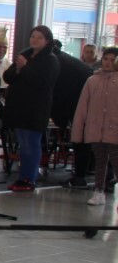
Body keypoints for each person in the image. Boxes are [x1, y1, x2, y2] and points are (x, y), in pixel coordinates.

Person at [3, 25, 60, 192]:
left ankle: (30, 178)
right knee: (23, 143)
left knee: (32, 143)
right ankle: (23, 177)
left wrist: (25, 68)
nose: (35, 40)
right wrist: (18, 69)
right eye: (33, 36)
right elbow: (8, 77)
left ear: (47, 41)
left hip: (36, 108)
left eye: (39, 37)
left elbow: (43, 83)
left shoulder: (50, 60)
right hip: (19, 106)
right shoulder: (25, 55)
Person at [71, 47, 118, 207]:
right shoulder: (92, 80)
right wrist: (78, 131)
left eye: (112, 60)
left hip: (115, 130)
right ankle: (98, 192)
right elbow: (82, 107)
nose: (108, 63)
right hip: (96, 129)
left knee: (116, 162)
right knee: (100, 161)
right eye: (106, 59)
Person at [51, 43, 95, 189]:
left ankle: (81, 177)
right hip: (82, 102)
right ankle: (90, 176)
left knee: (83, 140)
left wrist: (61, 118)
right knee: (86, 140)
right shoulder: (66, 60)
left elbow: (60, 92)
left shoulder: (58, 62)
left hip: (81, 103)